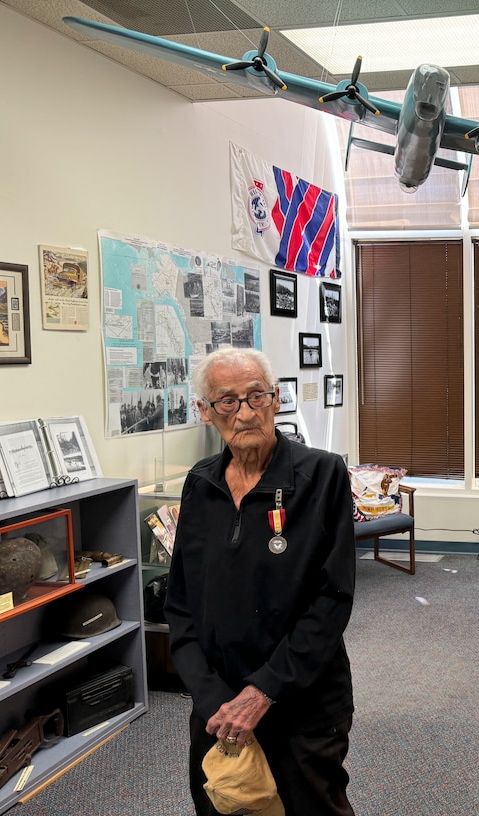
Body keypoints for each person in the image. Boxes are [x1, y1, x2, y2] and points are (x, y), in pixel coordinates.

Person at [165, 347, 357, 815]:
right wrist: (214, 699)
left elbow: (332, 599)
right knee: (224, 804)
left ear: (276, 400)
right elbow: (181, 605)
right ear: (205, 412)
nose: (245, 412)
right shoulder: (200, 484)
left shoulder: (322, 476)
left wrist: (264, 690)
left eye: (256, 396)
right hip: (218, 706)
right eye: (227, 401)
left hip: (302, 699)